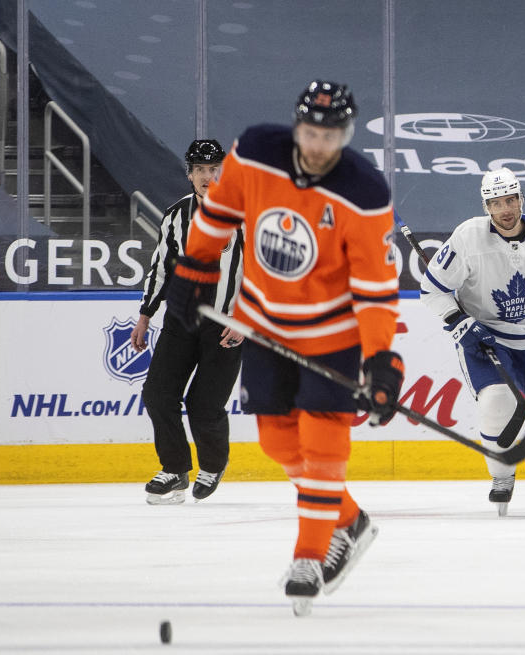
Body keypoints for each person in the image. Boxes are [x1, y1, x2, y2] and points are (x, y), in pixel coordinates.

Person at [163, 80, 404, 616]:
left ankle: (309, 556)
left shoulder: (363, 191)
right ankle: (349, 519)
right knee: (276, 442)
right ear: (297, 127)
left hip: (333, 337)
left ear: (345, 134)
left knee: (322, 448)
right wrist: (194, 264)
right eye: (311, 132)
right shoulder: (255, 152)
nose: (318, 145)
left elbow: (375, 290)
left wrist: (381, 358)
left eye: (330, 134)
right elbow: (219, 214)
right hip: (268, 325)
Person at [421, 168, 525, 516]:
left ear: (521, 199)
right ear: (486, 206)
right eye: (496, 202)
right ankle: (502, 476)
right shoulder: (468, 237)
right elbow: (432, 289)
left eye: (510, 199)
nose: (505, 209)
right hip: (487, 337)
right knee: (497, 402)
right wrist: (459, 322)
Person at [132, 139, 245, 505]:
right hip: (181, 322)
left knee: (204, 404)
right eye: (200, 170)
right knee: (157, 394)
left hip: (226, 326)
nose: (207, 176)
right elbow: (161, 269)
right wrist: (145, 315)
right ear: (190, 174)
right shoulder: (176, 215)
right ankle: (176, 469)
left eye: (214, 169)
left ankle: (212, 465)